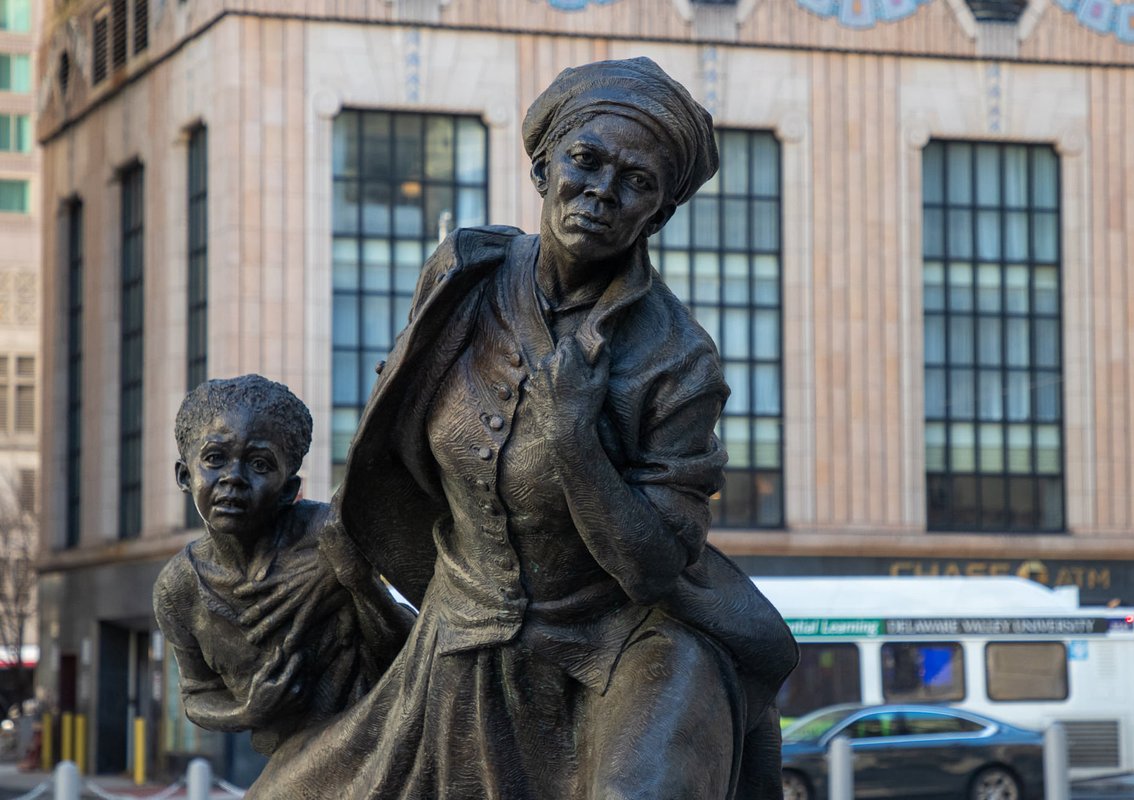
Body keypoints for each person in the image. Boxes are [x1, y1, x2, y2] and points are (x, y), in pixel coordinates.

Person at [248, 57, 796, 799]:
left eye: (636, 183)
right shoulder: (462, 277)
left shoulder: (678, 358)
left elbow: (655, 568)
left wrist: (576, 442)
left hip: (623, 638)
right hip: (463, 626)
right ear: (543, 168)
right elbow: (393, 430)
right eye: (586, 160)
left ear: (659, 215)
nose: (601, 191)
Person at [153, 375, 414, 755]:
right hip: (287, 756)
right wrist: (248, 711)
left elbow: (412, 647)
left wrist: (358, 582)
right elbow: (197, 693)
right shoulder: (177, 589)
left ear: (289, 491)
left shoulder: (333, 535)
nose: (233, 479)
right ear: (184, 475)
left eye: (259, 464)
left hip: (378, 742)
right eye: (214, 459)